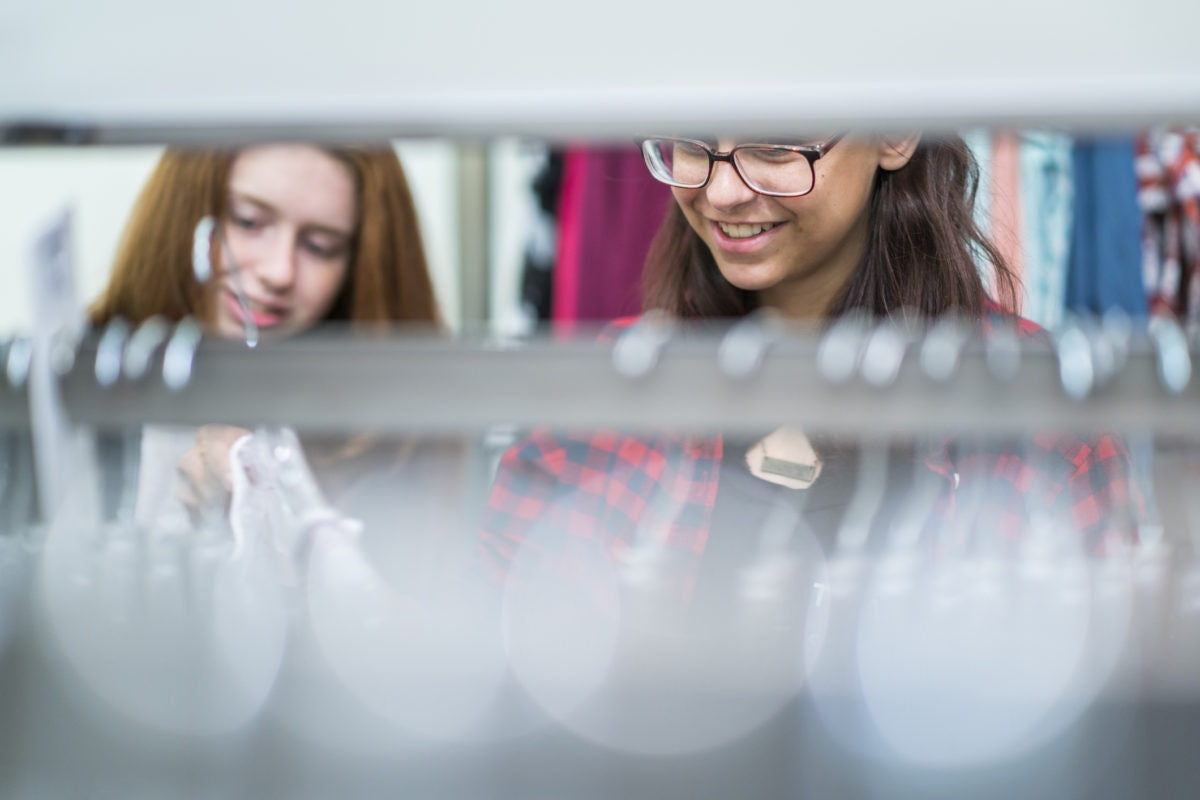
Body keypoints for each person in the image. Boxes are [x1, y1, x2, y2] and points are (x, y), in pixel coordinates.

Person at [479, 132, 1145, 592]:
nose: (722, 193)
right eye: (691, 145)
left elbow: (1113, 727)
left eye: (775, 148)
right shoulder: (598, 405)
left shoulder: (1038, 416)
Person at [88, 142, 454, 541]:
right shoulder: (79, 392)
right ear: (184, 213)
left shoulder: (390, 439)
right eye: (248, 222)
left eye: (320, 247)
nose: (280, 272)